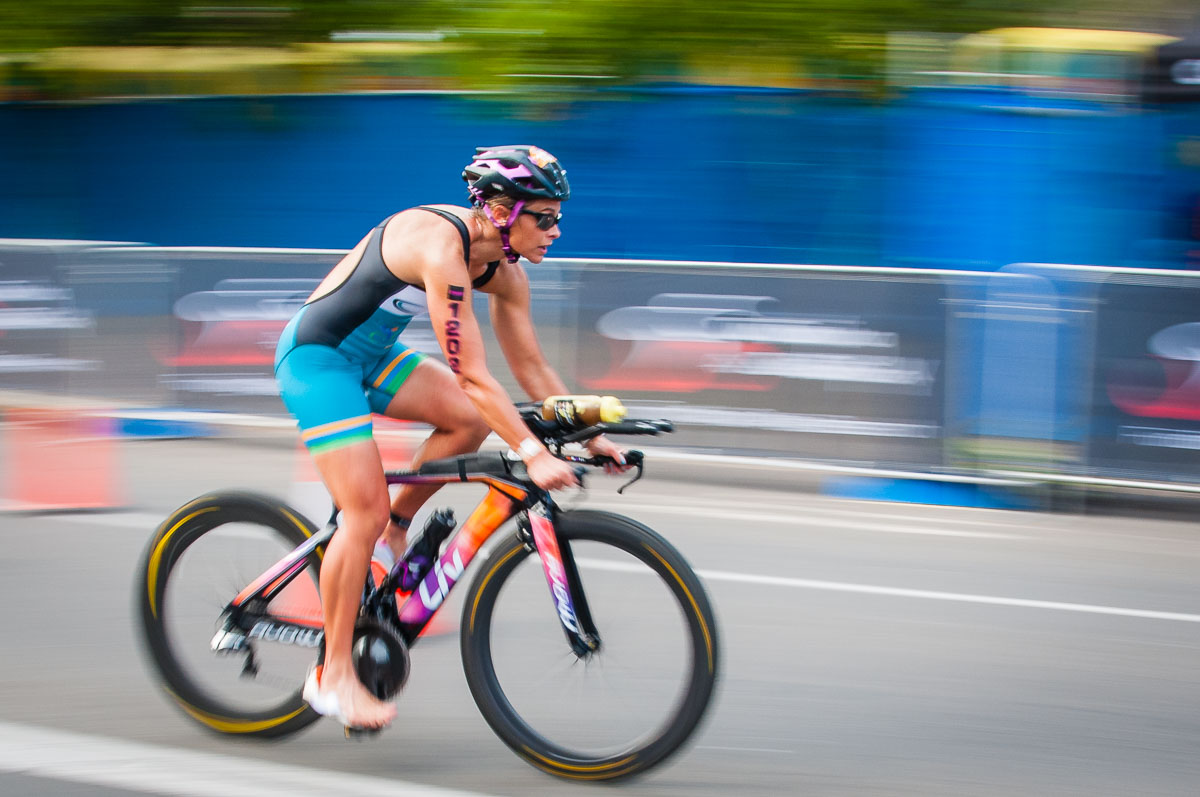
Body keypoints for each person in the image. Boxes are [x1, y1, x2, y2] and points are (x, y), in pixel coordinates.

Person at [273, 145, 627, 730]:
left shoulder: (506, 274)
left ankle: (395, 526)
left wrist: (591, 435)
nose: (557, 231)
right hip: (318, 360)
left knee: (469, 419)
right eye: (545, 217)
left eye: (558, 216)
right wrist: (532, 453)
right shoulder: (442, 248)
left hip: (375, 356)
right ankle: (330, 677)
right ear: (504, 210)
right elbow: (472, 371)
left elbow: (533, 371)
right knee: (359, 512)